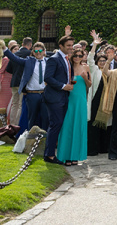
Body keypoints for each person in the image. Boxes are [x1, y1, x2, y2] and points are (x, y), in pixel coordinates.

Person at [43, 34, 76, 164]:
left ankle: (51, 153)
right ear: (60, 46)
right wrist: (63, 86)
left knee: (59, 124)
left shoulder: (67, 59)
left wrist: (70, 83)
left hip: (63, 96)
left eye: (71, 45)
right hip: (54, 97)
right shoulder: (54, 59)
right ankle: (50, 155)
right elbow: (48, 78)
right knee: (55, 124)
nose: (70, 48)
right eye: (68, 46)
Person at [3, 41, 49, 133]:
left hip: (45, 94)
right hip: (32, 94)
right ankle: (30, 140)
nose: (38, 52)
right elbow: (14, 58)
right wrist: (4, 49)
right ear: (33, 52)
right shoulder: (29, 61)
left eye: (40, 50)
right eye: (36, 51)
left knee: (46, 118)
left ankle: (44, 141)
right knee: (32, 118)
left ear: (44, 51)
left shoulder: (49, 62)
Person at [56, 49, 91, 166]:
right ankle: (65, 156)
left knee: (78, 126)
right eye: (75, 55)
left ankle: (75, 156)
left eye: (80, 56)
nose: (77, 57)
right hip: (69, 98)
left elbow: (90, 84)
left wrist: (85, 78)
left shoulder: (86, 67)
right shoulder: (68, 66)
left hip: (80, 100)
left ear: (82, 57)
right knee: (67, 126)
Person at [7, 38, 32, 124]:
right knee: (20, 104)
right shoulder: (30, 54)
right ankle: (17, 124)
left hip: (14, 81)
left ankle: (11, 123)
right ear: (30, 45)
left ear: (22, 44)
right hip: (23, 82)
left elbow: (8, 69)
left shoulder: (15, 54)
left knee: (14, 104)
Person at [0, 41, 17, 118]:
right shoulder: (6, 59)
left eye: (18, 49)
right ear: (11, 50)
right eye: (15, 49)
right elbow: (0, 72)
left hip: (13, 83)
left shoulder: (17, 59)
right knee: (3, 103)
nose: (17, 51)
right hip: (5, 84)